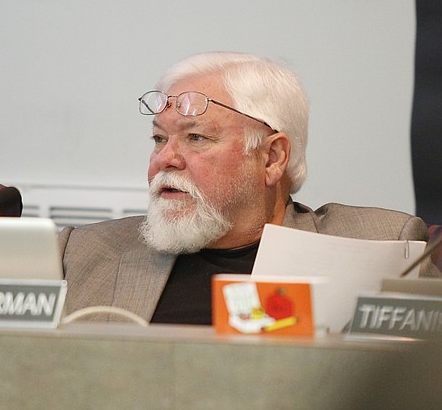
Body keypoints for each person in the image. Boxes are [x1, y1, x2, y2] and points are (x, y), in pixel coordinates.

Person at [59, 51, 439, 325]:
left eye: (196, 138)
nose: (164, 160)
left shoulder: (381, 246)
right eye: (159, 139)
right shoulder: (84, 254)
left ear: (272, 157)